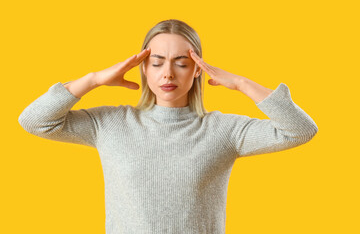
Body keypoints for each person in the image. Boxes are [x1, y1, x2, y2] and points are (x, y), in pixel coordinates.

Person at [18, 19, 318, 234]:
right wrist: (94, 79)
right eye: (158, 62)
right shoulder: (109, 124)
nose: (168, 74)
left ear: (198, 71)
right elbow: (35, 121)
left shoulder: (224, 131)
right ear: (143, 68)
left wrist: (241, 83)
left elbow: (300, 129)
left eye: (182, 63)